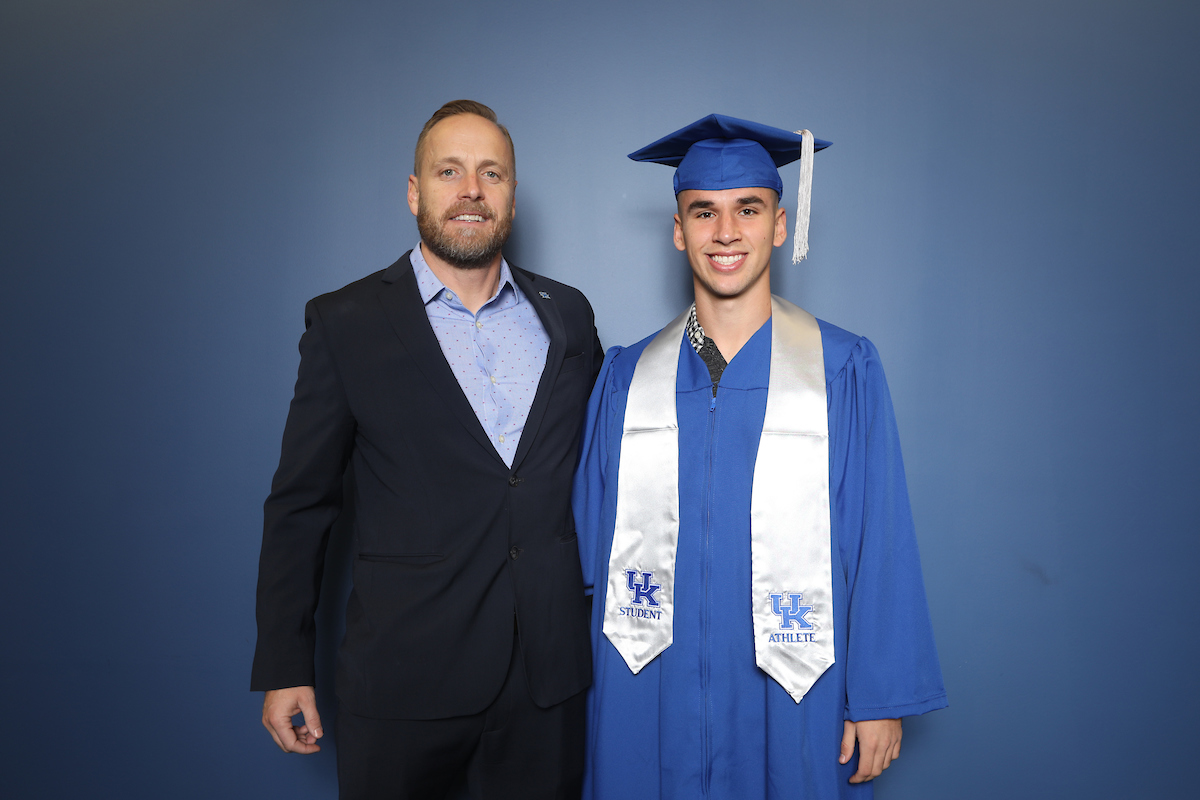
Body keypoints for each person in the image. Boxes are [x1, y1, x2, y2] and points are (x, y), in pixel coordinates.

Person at [572, 115, 947, 799]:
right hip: (649, 684)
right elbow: (588, 557)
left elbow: (880, 541)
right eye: (703, 212)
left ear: (779, 224)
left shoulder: (842, 369)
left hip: (796, 686)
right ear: (678, 230)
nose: (725, 233)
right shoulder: (627, 379)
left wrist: (879, 696)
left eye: (748, 210)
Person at [251, 99, 602, 799]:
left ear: (510, 194)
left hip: (548, 684)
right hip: (405, 684)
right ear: (416, 192)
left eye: (491, 173)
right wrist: (285, 662)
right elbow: (301, 504)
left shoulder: (568, 315)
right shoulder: (345, 322)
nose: (471, 189)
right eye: (449, 171)